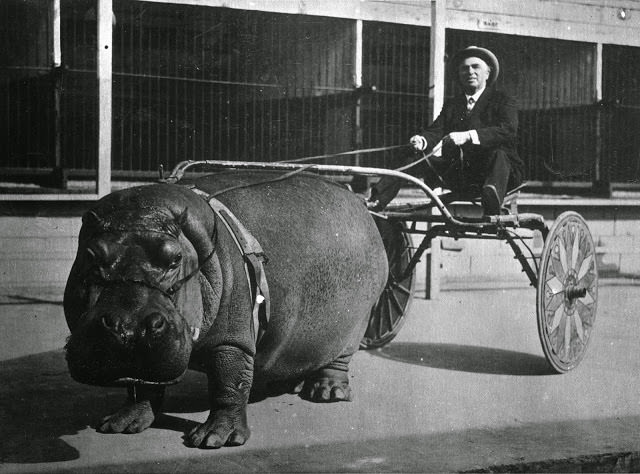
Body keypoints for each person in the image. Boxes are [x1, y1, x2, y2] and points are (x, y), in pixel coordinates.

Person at [368, 46, 523, 216]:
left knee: (499, 153)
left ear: (487, 73)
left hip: (496, 175)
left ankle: (492, 204)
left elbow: (508, 131)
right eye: (465, 68)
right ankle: (377, 200)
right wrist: (422, 140)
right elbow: (436, 130)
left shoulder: (502, 99)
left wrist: (468, 136)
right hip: (461, 174)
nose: (470, 72)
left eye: (475, 67)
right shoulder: (453, 104)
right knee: (412, 153)